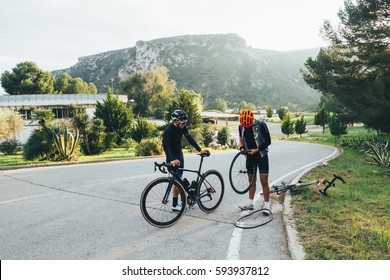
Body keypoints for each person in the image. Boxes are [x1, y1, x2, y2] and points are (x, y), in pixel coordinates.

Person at [162, 109, 209, 211]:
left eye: (185, 122)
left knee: (178, 179)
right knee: (175, 180)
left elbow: (190, 138)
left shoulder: (182, 128)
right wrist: (171, 160)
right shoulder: (168, 130)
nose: (185, 124)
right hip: (171, 156)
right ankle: (176, 204)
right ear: (176, 121)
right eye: (183, 122)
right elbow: (166, 146)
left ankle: (176, 204)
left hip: (179, 155)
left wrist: (200, 149)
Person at [238, 109, 272, 214]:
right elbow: (241, 140)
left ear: (252, 119)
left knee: (264, 180)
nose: (246, 127)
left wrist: (257, 149)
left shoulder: (261, 125)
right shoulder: (241, 127)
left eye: (248, 125)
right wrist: (241, 148)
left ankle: (267, 205)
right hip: (250, 156)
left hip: (261, 155)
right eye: (244, 125)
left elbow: (268, 141)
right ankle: (250, 203)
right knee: (251, 180)